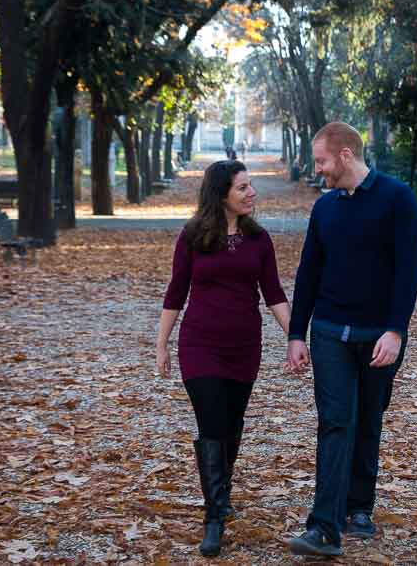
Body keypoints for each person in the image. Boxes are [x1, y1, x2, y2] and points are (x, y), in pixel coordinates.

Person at [285, 122, 417, 557]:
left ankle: (360, 506)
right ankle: (324, 527)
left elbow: (409, 271)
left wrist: (396, 330)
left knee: (368, 418)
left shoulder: (398, 199)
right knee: (336, 421)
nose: (318, 169)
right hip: (329, 332)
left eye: (322, 160)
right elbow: (308, 274)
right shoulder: (324, 209)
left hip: (378, 335)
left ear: (346, 155)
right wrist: (296, 333)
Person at [155, 160, 291, 557]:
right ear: (221, 194)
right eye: (243, 188)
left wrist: (298, 338)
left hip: (244, 347)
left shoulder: (259, 239)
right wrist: (162, 344)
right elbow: (176, 292)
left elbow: (275, 294)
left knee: (232, 423)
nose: (252, 193)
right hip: (200, 345)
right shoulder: (193, 236)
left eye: (251, 187)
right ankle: (213, 518)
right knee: (212, 423)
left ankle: (223, 491)